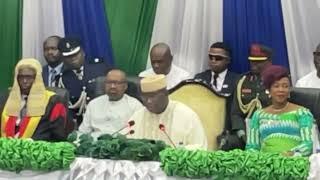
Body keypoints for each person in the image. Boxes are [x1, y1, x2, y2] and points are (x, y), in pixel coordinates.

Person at [246, 65, 313, 156]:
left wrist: (289, 155)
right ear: (268, 90)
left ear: (289, 90)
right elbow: (251, 147)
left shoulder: (302, 113)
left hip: (293, 162)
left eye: (285, 86)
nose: (281, 90)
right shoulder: (258, 115)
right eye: (276, 86)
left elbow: (308, 145)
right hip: (266, 164)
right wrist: (264, 161)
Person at [128, 74, 208, 149]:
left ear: (166, 93)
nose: (148, 101)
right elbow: (127, 144)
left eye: (152, 96)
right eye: (144, 97)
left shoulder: (187, 116)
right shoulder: (137, 117)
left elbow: (199, 147)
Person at [0, 58, 67, 141]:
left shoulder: (53, 101)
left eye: (29, 77)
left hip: (37, 148)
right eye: (21, 77)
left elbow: (57, 134)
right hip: (7, 147)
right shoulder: (5, 98)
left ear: (37, 78)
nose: (24, 81)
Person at [57, 37, 111, 125]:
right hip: (81, 123)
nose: (73, 58)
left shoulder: (100, 68)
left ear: (83, 52)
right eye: (68, 56)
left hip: (106, 118)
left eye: (75, 54)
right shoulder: (62, 79)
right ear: (63, 59)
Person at [229, 44, 273, 149]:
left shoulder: (278, 81)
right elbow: (235, 113)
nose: (254, 64)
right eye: (252, 60)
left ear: (269, 62)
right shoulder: (242, 81)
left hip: (271, 130)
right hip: (246, 132)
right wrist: (242, 133)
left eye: (259, 61)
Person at [78, 69, 142, 138]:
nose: (112, 86)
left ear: (125, 86)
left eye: (117, 83)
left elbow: (138, 133)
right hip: (95, 144)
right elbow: (83, 132)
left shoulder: (135, 105)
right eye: (109, 82)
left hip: (122, 143)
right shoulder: (93, 104)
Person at [194, 42, 240, 131]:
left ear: (228, 60)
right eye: (211, 57)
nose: (213, 61)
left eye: (218, 58)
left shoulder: (237, 80)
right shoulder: (199, 78)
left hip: (227, 128)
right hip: (203, 126)